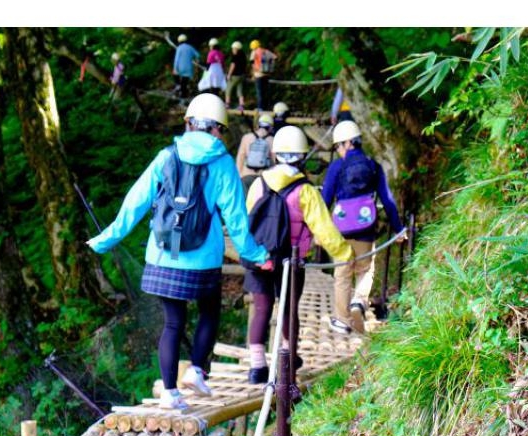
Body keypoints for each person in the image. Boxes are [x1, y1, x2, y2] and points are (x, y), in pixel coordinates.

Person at [86, 93, 272, 410]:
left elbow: (135, 202)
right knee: (210, 311)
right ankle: (197, 370)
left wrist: (104, 240)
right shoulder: (224, 164)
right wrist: (257, 255)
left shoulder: (166, 157)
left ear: (188, 123)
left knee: (173, 323)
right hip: (203, 260)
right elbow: (237, 221)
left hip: (163, 256)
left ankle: (171, 393)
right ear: (218, 130)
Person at [244, 125, 354, 384]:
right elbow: (324, 229)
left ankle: (257, 367)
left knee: (261, 308)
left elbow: (247, 220)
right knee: (288, 310)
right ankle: (287, 363)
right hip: (291, 261)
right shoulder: (305, 191)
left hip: (260, 258)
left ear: (275, 153)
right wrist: (344, 253)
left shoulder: (258, 184)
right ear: (302, 156)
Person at [321, 120, 407, 335]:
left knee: (342, 273)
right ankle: (358, 302)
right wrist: (398, 229)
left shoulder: (337, 167)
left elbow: (324, 200)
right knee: (365, 269)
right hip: (365, 228)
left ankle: (342, 320)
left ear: (347, 143)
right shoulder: (372, 165)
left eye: (338, 146)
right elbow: (388, 200)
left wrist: (319, 231)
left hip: (340, 230)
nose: (338, 151)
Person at [235, 114, 275, 195]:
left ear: (258, 125)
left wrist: (239, 175)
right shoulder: (272, 140)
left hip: (246, 176)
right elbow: (274, 161)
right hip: (264, 178)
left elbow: (240, 157)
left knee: (246, 203)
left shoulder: (246, 137)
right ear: (270, 127)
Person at [249, 39, 277, 111]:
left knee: (259, 93)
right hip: (266, 74)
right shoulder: (265, 51)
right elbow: (275, 57)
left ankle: (260, 108)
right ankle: (266, 107)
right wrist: (271, 67)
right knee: (265, 92)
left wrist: (253, 74)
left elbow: (252, 63)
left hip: (258, 75)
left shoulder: (254, 52)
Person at [173, 34, 200, 99]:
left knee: (177, 78)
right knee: (184, 82)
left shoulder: (179, 48)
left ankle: (179, 88)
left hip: (180, 68)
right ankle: (184, 94)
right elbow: (198, 55)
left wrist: (175, 68)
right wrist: (196, 61)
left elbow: (176, 60)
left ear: (179, 41)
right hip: (189, 68)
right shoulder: (190, 47)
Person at [225, 40, 246, 111]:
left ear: (236, 48)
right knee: (240, 90)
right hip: (242, 76)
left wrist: (229, 75)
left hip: (235, 76)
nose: (232, 50)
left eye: (233, 48)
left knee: (228, 89)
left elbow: (232, 65)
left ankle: (227, 104)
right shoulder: (243, 55)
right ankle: (241, 105)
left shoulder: (235, 56)